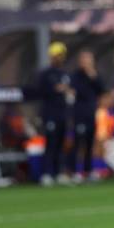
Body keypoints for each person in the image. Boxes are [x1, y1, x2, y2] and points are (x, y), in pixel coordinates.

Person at [37, 42, 73, 186]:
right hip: (50, 114)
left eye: (61, 55)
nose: (60, 58)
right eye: (57, 55)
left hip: (62, 114)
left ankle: (59, 173)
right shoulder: (46, 74)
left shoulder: (65, 74)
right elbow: (45, 90)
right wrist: (59, 89)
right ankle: (46, 173)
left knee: (60, 145)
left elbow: (67, 90)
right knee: (50, 144)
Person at [71, 50, 105, 183]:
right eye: (84, 59)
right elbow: (76, 90)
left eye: (88, 59)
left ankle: (88, 170)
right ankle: (75, 171)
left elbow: (102, 89)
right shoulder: (76, 76)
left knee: (90, 143)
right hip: (80, 113)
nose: (86, 62)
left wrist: (93, 76)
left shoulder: (94, 75)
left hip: (91, 113)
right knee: (78, 143)